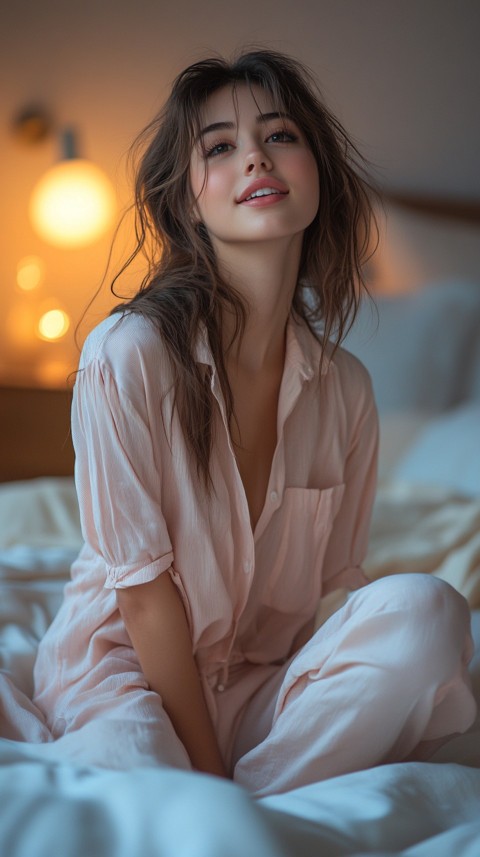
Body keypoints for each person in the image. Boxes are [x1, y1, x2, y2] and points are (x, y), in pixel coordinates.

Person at [31, 49, 475, 795]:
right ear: (186, 201)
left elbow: (335, 601)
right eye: (220, 147)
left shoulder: (347, 392)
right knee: (163, 798)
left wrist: (326, 693)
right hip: (125, 674)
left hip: (262, 690)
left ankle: (254, 797)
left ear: (316, 171)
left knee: (431, 610)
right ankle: (242, 803)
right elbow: (143, 595)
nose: (256, 159)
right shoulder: (128, 354)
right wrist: (209, 771)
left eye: (279, 136)